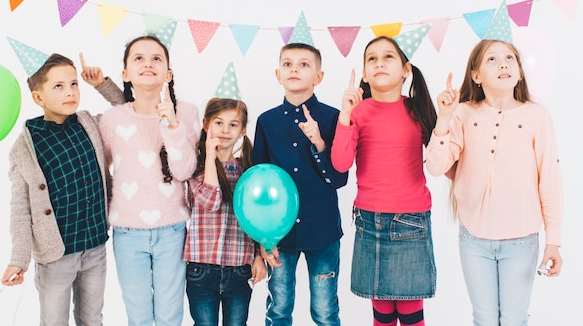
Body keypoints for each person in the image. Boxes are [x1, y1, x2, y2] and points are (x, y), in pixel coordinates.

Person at [425, 39, 563, 326]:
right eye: (492, 59)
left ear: (520, 72)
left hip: (522, 240)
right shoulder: (463, 113)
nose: (503, 63)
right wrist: (444, 119)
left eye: (510, 58)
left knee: (513, 319)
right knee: (484, 318)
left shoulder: (537, 116)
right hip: (473, 239)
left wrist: (554, 242)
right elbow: (437, 167)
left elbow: (550, 180)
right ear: (476, 76)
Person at [0, 53, 124, 326]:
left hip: (94, 246)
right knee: (54, 321)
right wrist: (19, 259)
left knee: (92, 319)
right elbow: (20, 209)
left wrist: (101, 83)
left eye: (73, 84)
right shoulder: (26, 146)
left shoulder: (89, 123)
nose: (70, 92)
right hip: (55, 256)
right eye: (58, 86)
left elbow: (127, 110)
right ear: (38, 98)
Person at [86, 35, 200, 326]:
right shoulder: (111, 120)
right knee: (138, 314)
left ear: (168, 73)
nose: (148, 63)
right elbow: (99, 167)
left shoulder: (186, 113)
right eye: (138, 58)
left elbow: (185, 171)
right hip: (127, 233)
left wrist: (171, 124)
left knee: (170, 313)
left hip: (172, 230)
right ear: (125, 74)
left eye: (156, 58)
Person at [330, 36, 438, 326]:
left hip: (411, 221)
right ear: (364, 73)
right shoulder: (358, 112)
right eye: (372, 58)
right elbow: (340, 163)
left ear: (405, 69)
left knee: (411, 313)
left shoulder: (418, 110)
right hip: (369, 221)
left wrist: (448, 116)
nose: (379, 62)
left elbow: (441, 162)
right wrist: (345, 114)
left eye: (388, 56)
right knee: (383, 313)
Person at [253, 42, 349, 326]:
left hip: (323, 231)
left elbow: (339, 179)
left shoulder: (333, 118)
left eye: (304, 64)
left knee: (325, 311)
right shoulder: (266, 122)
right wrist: (263, 238)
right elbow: (260, 182)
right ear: (277, 74)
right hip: (279, 235)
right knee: (279, 309)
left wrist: (319, 142)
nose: (294, 69)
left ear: (318, 77)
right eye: (288, 64)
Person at [184, 97, 267, 326]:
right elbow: (211, 201)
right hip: (202, 270)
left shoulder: (248, 171)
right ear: (206, 124)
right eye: (219, 123)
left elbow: (257, 219)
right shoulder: (196, 169)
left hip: (239, 269)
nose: (225, 130)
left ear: (242, 131)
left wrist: (258, 255)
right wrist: (210, 156)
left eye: (233, 124)